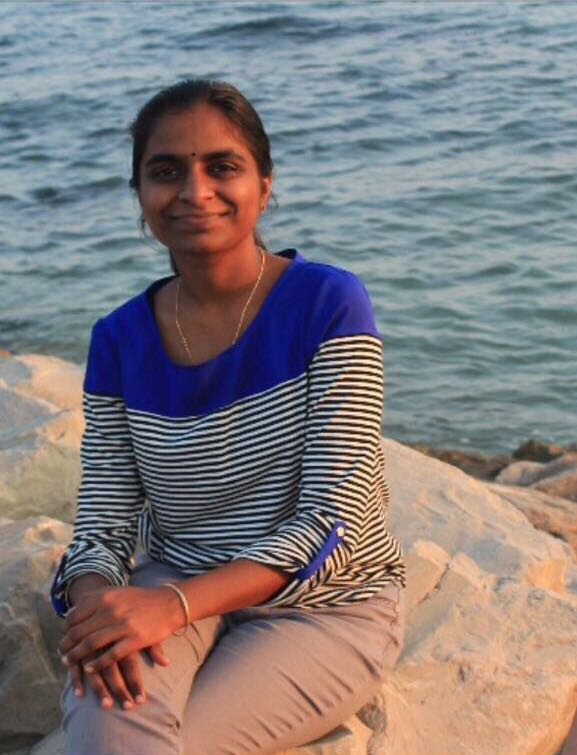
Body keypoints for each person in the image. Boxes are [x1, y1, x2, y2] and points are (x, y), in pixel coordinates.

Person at [50, 78, 406, 755]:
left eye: (222, 166)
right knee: (108, 722)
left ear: (264, 185)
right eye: (165, 171)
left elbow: (331, 520)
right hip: (173, 581)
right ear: (140, 196)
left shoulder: (327, 304)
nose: (194, 190)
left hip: (325, 606)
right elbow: (103, 520)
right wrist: (100, 613)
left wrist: (174, 606)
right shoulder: (119, 339)